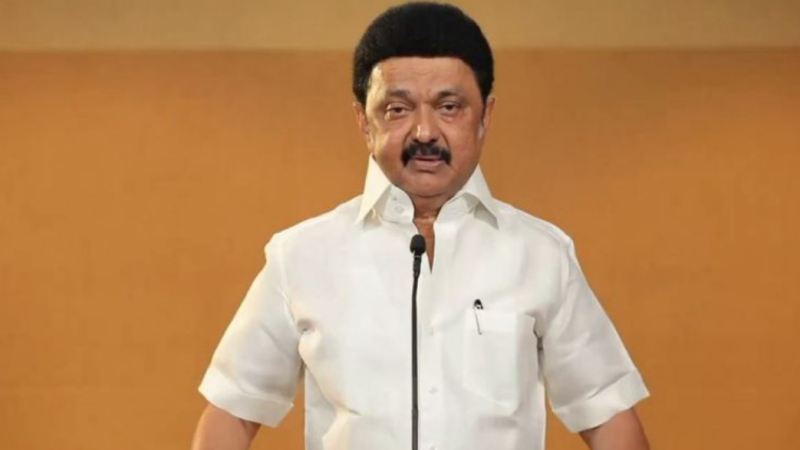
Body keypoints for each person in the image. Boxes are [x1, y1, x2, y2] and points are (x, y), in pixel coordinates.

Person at [191, 3, 650, 450]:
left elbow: (608, 414)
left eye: (449, 107)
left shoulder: (541, 254)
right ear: (363, 121)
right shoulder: (301, 255)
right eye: (398, 109)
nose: (425, 132)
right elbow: (232, 411)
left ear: (485, 117)